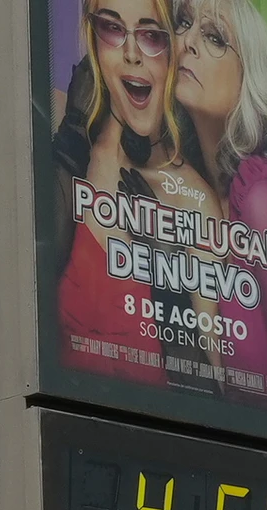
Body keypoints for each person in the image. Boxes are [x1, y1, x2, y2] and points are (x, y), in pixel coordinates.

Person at [170, 0, 267, 416]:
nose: (189, 43)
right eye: (184, 24)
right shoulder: (192, 197)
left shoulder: (263, 198)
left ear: (251, 75)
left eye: (214, 37)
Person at [51, 0, 186, 388]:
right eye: (112, 28)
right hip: (62, 434)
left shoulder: (185, 193)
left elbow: (212, 395)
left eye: (151, 36)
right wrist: (72, 138)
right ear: (91, 39)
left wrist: (170, 285)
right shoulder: (51, 127)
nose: (132, 54)